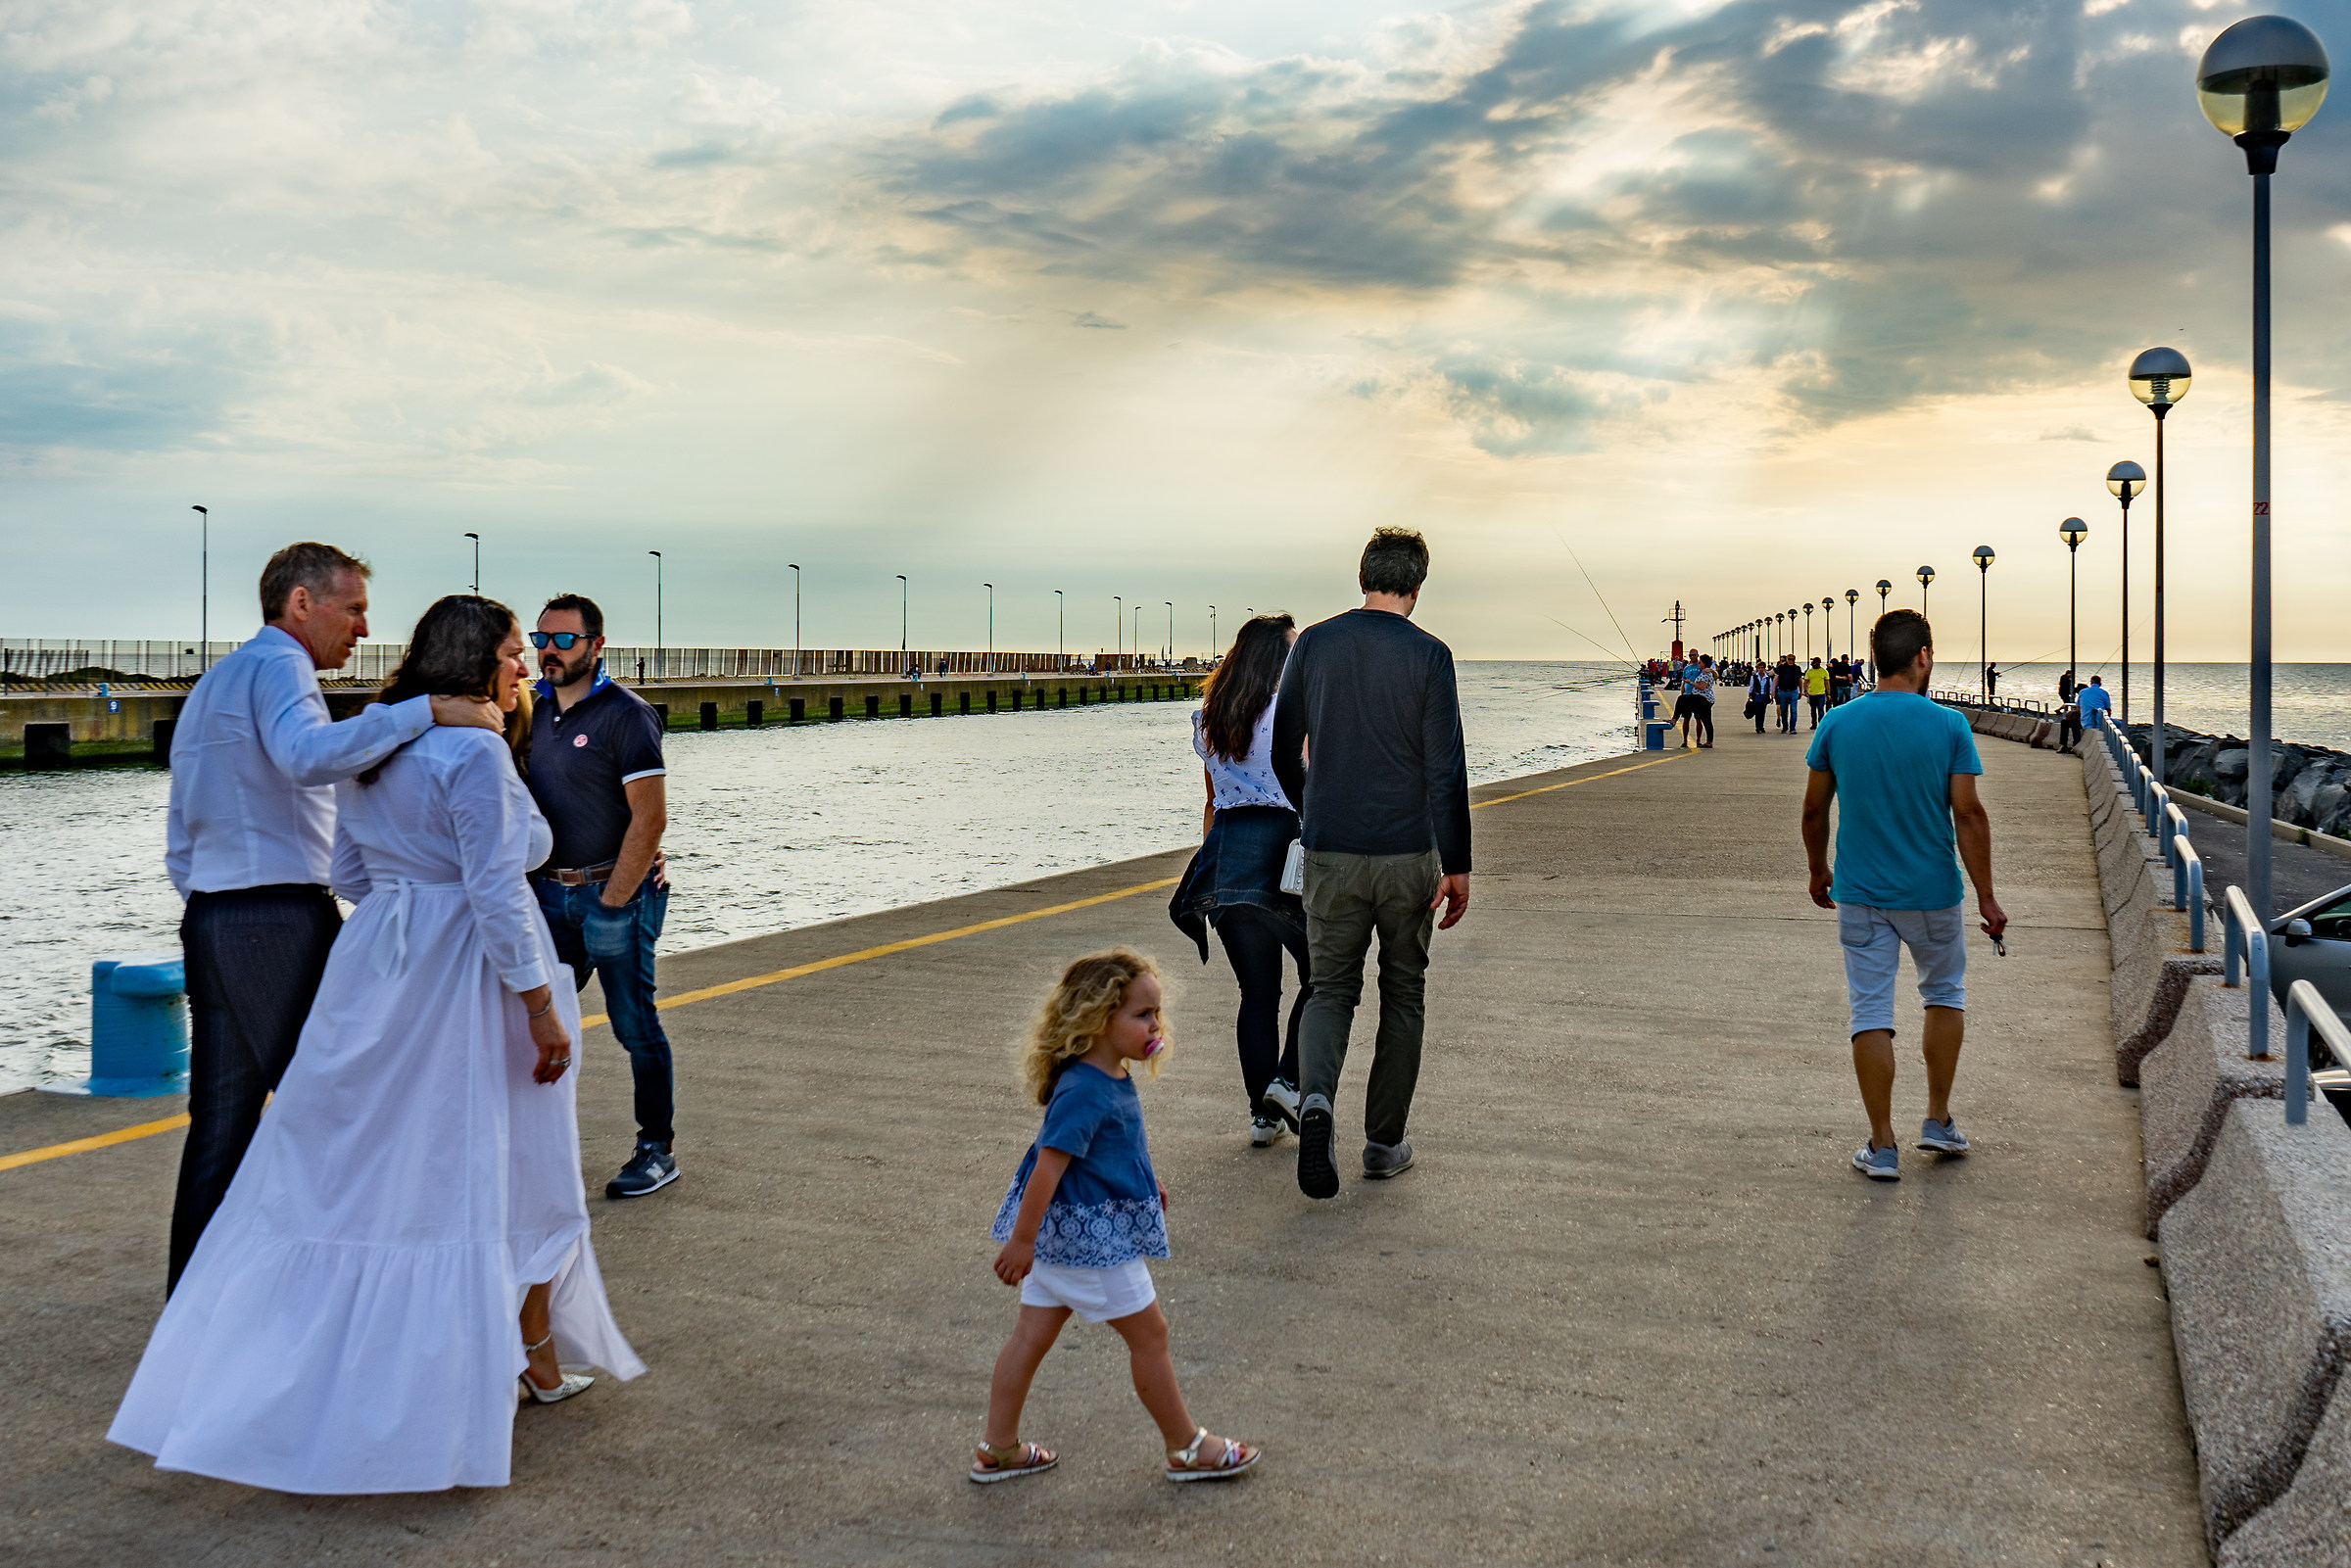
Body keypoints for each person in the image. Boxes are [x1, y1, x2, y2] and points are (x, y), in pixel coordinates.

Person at [113, 595, 644, 1492]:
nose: (524, 667)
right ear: (478, 661)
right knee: (505, 1164)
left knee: (370, 1169)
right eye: (515, 653)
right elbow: (495, 890)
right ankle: (514, 1363)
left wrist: (407, 899)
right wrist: (539, 1007)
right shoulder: (474, 751)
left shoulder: (376, 746)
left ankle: (375, 1358)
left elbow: (348, 869)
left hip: (380, 966)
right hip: (467, 977)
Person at [162, 543, 499, 1292]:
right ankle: (331, 1298)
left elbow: (181, 834)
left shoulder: (215, 682)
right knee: (336, 1109)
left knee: (220, 1125)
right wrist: (424, 710)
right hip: (276, 917)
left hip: (214, 916)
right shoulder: (282, 667)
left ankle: (193, 1304)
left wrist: (220, 907)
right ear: (301, 603)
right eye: (353, 609)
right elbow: (306, 754)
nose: (364, 628)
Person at [979, 949, 1260, 1484]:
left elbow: (1110, 1148)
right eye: (1142, 1014)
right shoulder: (1085, 1089)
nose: (1155, 1025)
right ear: (1097, 1020)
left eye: (1156, 1013)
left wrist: (1146, 1181)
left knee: (1029, 1338)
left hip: (1063, 1239)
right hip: (1090, 1242)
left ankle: (999, 1447)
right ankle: (1185, 1446)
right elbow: (1047, 1165)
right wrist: (1021, 1241)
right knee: (1149, 1335)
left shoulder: (1106, 1075)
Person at [1270, 527, 1470, 1199]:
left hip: (1331, 850)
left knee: (1330, 988)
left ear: (1363, 577)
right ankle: (1384, 1144)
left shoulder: (1315, 644)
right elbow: (1445, 770)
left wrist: (1311, 809)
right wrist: (1457, 862)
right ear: (1417, 586)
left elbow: (1283, 746)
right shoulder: (1430, 655)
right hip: (1409, 853)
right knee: (1403, 991)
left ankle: (1316, 1101)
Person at [1799, 610, 2008, 1182]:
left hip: (1862, 893)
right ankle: (1937, 1119)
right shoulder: (1949, 726)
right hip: (1933, 892)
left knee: (1870, 1010)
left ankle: (1882, 1145)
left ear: (1875, 659)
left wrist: (1818, 870)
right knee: (1944, 994)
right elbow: (1968, 814)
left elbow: (1814, 809)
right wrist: (1987, 897)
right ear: (1923, 656)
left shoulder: (1837, 722)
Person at [527, 594, 679, 1200]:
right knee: (532, 1017)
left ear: (596, 645)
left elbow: (650, 819)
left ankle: (656, 1149)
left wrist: (613, 901)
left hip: (615, 894)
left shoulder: (627, 715)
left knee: (633, 1024)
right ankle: (531, 1145)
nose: (550, 651)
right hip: (546, 897)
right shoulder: (527, 708)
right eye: (541, 639)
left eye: (564, 640)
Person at [1169, 615, 1308, 1147]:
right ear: (1276, 659)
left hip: (1226, 855)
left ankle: (1262, 1117)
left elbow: (1211, 803)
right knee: (1324, 975)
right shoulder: (1291, 716)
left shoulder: (1211, 719)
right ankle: (1287, 1082)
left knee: (1257, 992)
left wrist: (1213, 864)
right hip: (1281, 854)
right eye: (1294, 650)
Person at [1681, 653, 1716, 749]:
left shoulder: (1705, 672)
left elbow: (1702, 686)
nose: (1692, 657)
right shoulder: (1687, 668)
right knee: (1687, 718)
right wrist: (1682, 693)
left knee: (1702, 720)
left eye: (1694, 655)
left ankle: (1700, 741)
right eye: (1690, 655)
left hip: (1700, 699)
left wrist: (1691, 683)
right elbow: (1683, 682)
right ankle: (1685, 741)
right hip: (1690, 696)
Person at [1774, 654, 1801, 734]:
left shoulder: (1797, 668)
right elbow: (1776, 678)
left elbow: (1800, 680)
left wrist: (1801, 691)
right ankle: (1785, 726)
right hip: (1783, 691)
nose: (1791, 661)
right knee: (1783, 710)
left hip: (1793, 691)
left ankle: (1792, 727)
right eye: (1789, 659)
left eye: (1792, 659)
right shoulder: (1781, 667)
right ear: (1786, 659)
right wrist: (1773, 691)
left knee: (1793, 710)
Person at [2057, 669, 2083, 753]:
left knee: (2073, 723)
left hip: (2082, 719)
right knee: (2067, 704)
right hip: (2064, 692)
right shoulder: (2065, 678)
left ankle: (2072, 745)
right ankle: (2064, 745)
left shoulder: (2082, 697)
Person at [1802, 657, 1830, 729]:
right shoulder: (1809, 671)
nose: (1812, 664)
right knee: (1813, 710)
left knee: (1820, 709)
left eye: (1814, 662)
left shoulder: (1824, 671)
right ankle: (1814, 724)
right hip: (1812, 693)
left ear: (1818, 663)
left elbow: (1827, 683)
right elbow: (1805, 681)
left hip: (1821, 693)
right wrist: (1805, 690)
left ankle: (1821, 724)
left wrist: (1828, 694)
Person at [1748, 660, 1773, 735]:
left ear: (1765, 668)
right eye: (1759, 668)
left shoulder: (1768, 678)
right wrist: (1749, 696)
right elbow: (1751, 687)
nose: (1761, 669)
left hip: (1764, 696)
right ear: (1757, 668)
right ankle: (1758, 727)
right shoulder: (1754, 677)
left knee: (1763, 712)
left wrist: (1771, 697)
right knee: (1757, 712)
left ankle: (1761, 726)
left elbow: (1770, 688)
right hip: (1756, 696)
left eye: (1762, 668)